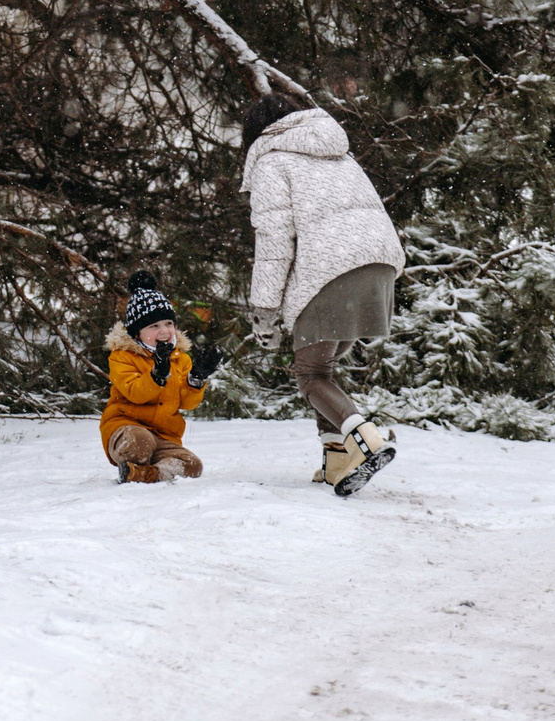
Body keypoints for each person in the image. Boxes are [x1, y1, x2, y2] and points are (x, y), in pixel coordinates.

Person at [241, 94, 405, 497]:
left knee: (311, 374)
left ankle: (365, 440)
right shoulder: (339, 154)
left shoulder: (273, 161)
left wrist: (264, 308)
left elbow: (275, 241)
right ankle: (337, 460)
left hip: (330, 270)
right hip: (378, 266)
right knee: (323, 368)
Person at [101, 272, 225, 483]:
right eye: (154, 326)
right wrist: (157, 374)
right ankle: (136, 464)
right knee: (139, 443)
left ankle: (146, 474)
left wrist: (196, 379)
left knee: (192, 465)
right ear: (136, 332)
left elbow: (187, 403)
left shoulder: (181, 358)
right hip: (126, 428)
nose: (164, 331)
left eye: (168, 323)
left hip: (164, 436)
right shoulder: (122, 356)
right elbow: (135, 393)